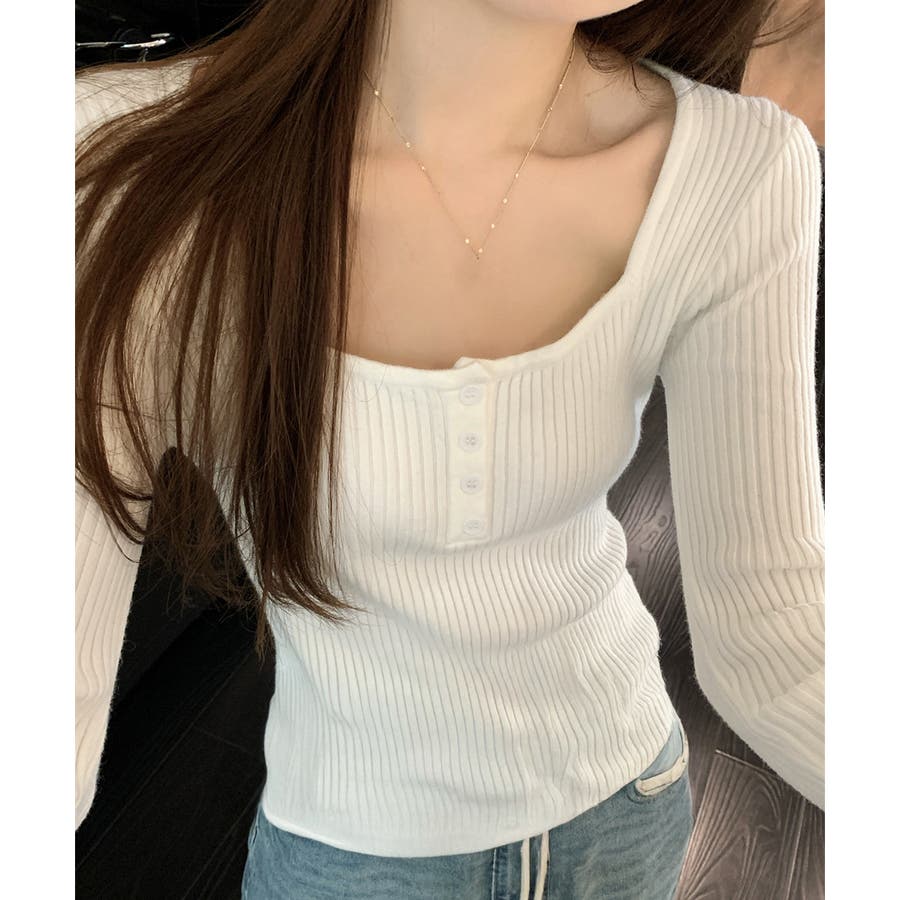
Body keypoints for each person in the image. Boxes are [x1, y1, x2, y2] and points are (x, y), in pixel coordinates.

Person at [74, 1, 825, 897]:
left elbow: (779, 642)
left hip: (628, 800)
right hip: (351, 849)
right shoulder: (119, 164)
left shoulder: (738, 167)